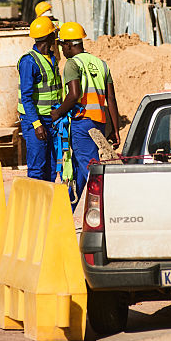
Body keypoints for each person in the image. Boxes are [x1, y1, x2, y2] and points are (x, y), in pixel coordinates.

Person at [51, 22, 121, 205]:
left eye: (62, 46)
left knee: (90, 171)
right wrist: (115, 129)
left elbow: (74, 95)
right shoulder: (101, 64)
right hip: (99, 123)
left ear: (68, 44)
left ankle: (106, 210)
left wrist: (56, 114)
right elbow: (111, 99)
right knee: (78, 171)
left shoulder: (72, 64)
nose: (62, 50)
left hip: (82, 124)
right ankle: (66, 213)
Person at [18, 16, 63, 182]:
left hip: (51, 121)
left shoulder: (51, 58)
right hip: (35, 122)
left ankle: (48, 206)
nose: (55, 36)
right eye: (53, 33)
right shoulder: (29, 62)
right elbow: (26, 97)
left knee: (51, 168)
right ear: (48, 37)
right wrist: (37, 125)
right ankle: (35, 207)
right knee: (37, 169)